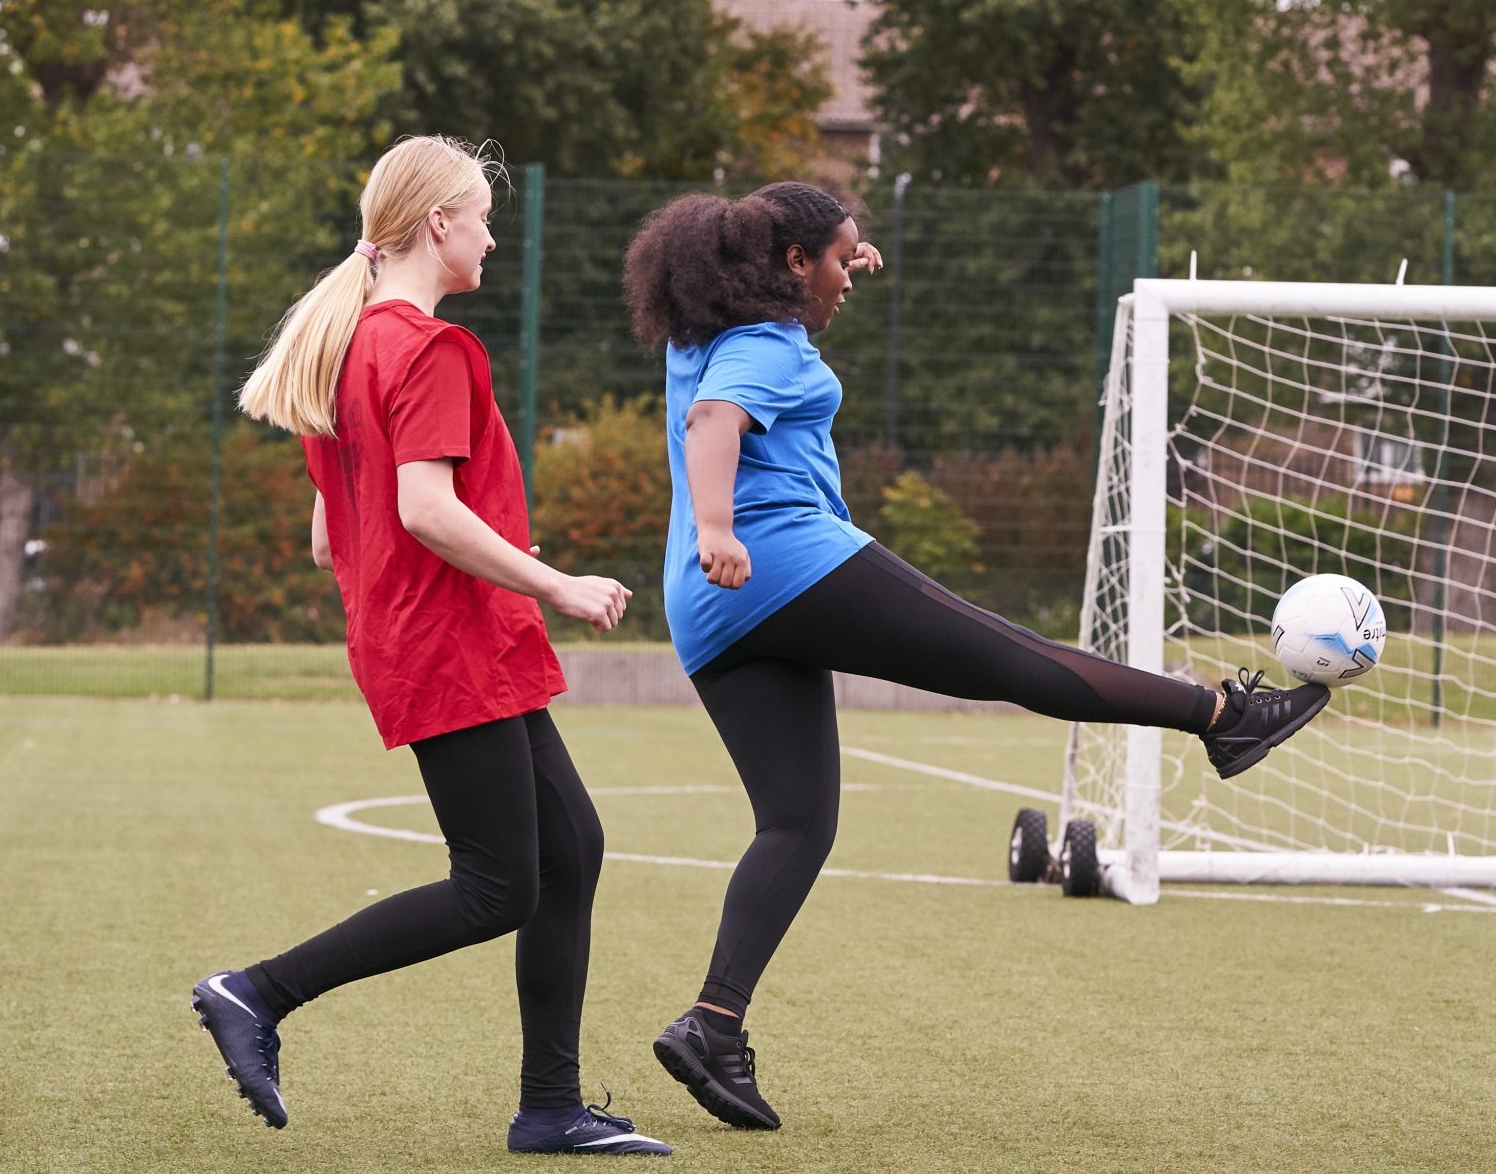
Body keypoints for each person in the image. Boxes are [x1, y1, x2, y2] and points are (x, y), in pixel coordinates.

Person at [623, 181, 1333, 1133]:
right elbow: (716, 426)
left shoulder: (706, 328)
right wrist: (720, 522)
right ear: (790, 264)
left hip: (709, 610)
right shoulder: (764, 346)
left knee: (796, 822)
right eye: (839, 257)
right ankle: (1224, 716)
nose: (852, 271)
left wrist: (834, 261)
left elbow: (727, 366)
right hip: (784, 560)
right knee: (1019, 660)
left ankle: (714, 1023)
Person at [194, 135, 667, 1156]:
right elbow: (421, 508)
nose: (493, 237)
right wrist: (555, 581)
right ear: (438, 225)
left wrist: (467, 537)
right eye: (483, 218)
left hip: (437, 639)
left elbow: (335, 529)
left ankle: (551, 1104)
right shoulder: (431, 346)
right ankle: (256, 990)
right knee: (497, 884)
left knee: (569, 849)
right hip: (452, 645)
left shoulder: (350, 343)